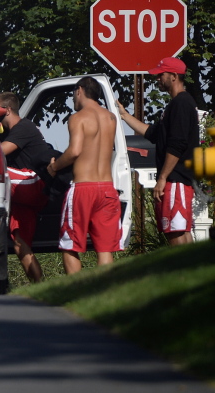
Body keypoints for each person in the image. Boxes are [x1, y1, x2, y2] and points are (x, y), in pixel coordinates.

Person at [116, 57, 200, 245]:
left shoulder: (181, 103)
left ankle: (181, 272)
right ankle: (192, 269)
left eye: (161, 75)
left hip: (176, 178)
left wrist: (162, 178)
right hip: (177, 179)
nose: (158, 79)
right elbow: (152, 133)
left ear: (174, 76)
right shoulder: (175, 105)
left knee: (175, 232)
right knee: (179, 230)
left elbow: (177, 144)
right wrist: (124, 115)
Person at [46, 77, 123, 275]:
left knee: (69, 244)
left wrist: (55, 167)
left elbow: (74, 151)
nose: (73, 99)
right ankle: (104, 293)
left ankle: (78, 289)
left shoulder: (78, 117)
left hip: (83, 187)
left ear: (79, 90)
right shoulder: (110, 118)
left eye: (73, 94)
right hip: (107, 188)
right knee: (104, 248)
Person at [0, 92, 55, 283]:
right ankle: (39, 285)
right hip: (22, 191)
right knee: (20, 243)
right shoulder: (9, 132)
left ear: (8, 110)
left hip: (36, 182)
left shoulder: (24, 127)